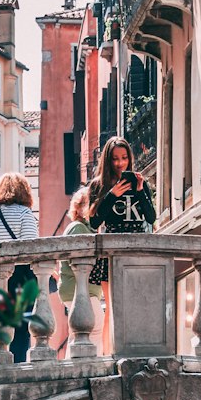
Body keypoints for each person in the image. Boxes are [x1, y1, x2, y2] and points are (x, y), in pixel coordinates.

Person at [88, 137, 155, 354]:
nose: (120, 164)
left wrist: (139, 191)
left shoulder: (140, 183)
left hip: (136, 250)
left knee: (136, 305)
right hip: (111, 251)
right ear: (108, 160)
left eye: (124, 158)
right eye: (116, 159)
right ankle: (109, 354)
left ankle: (133, 350)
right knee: (114, 307)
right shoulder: (98, 185)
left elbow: (151, 217)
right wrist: (111, 195)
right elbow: (94, 222)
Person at [0, 173, 39, 363]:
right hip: (18, 280)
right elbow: (31, 251)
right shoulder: (24, 214)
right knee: (19, 332)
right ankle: (16, 370)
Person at [57, 186, 100, 354]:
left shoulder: (82, 228)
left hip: (77, 288)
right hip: (81, 288)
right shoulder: (79, 228)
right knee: (94, 330)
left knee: (77, 334)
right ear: (82, 208)